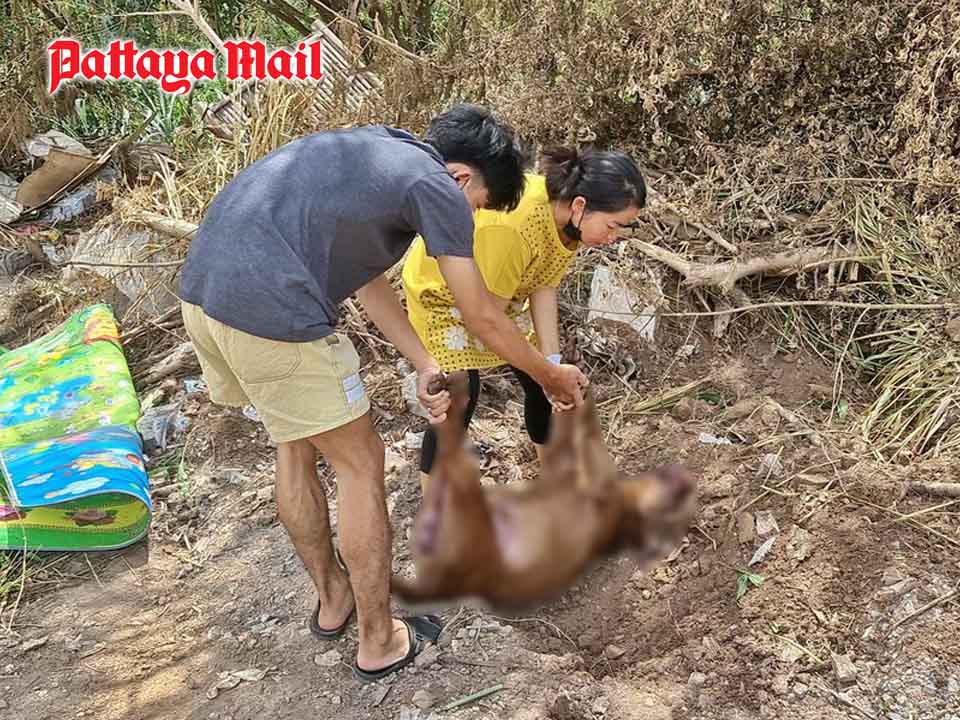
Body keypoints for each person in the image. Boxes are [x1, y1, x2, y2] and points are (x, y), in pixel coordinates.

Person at [176, 104, 587, 683]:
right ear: (461, 178)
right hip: (271, 310)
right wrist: (549, 374)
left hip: (204, 296)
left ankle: (334, 600)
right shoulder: (436, 186)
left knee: (294, 443)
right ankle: (379, 640)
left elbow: (364, 276)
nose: (469, 219)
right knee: (360, 464)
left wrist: (423, 360)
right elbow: (481, 316)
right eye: (476, 206)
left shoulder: (377, 152)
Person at [402, 145, 645, 494]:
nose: (613, 237)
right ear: (580, 206)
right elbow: (486, 320)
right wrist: (546, 372)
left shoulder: (567, 223)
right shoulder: (515, 225)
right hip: (443, 293)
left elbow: (544, 285)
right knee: (458, 394)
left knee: (545, 385)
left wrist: (552, 366)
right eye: (613, 226)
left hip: (498, 296)